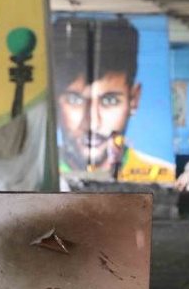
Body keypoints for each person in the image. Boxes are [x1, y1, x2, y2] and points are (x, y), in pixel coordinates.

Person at [54, 16, 171, 180]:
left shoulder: (160, 177)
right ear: (54, 101)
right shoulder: (33, 178)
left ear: (134, 99)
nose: (93, 122)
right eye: (75, 100)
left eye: (109, 101)